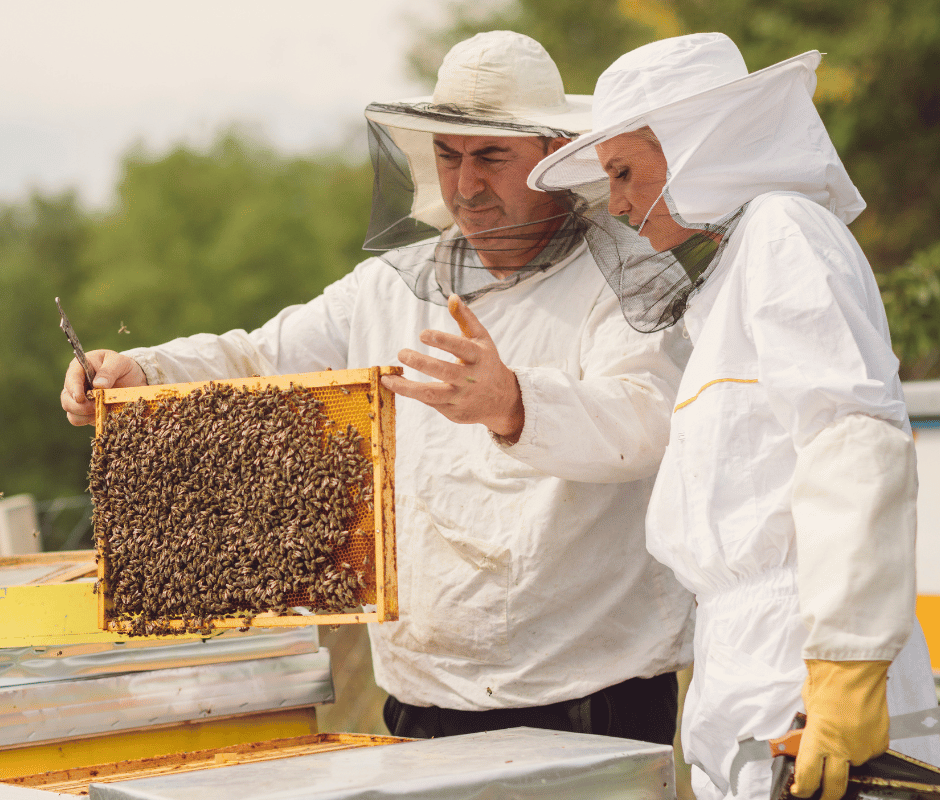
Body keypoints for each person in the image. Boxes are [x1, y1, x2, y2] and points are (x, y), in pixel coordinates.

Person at [62, 31, 695, 745]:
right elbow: (262, 357)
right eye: (448, 156)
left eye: (491, 156)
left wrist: (514, 404)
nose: (465, 185)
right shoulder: (390, 285)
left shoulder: (630, 280)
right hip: (420, 697)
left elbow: (650, 425)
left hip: (587, 696)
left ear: (552, 156)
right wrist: (143, 371)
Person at [529, 32, 940, 800]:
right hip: (742, 658)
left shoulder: (787, 234)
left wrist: (847, 664)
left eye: (623, 171)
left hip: (802, 651)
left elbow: (851, 437)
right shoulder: (731, 274)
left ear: (696, 145)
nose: (616, 202)